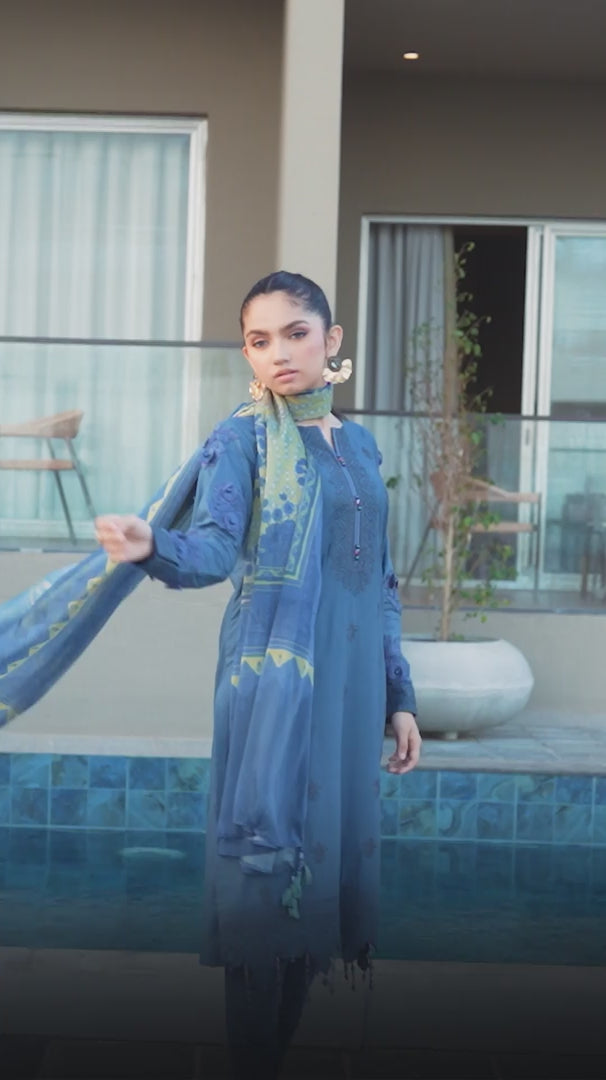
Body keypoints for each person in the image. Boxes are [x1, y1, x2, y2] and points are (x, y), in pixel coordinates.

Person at [95, 271, 421, 1077]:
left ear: (331, 340)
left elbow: (380, 578)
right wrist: (152, 545)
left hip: (349, 688)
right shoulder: (240, 438)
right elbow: (211, 550)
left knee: (319, 882)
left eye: (296, 333)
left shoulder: (361, 445)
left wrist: (399, 694)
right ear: (246, 352)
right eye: (258, 339)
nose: (278, 352)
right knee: (263, 876)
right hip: (275, 679)